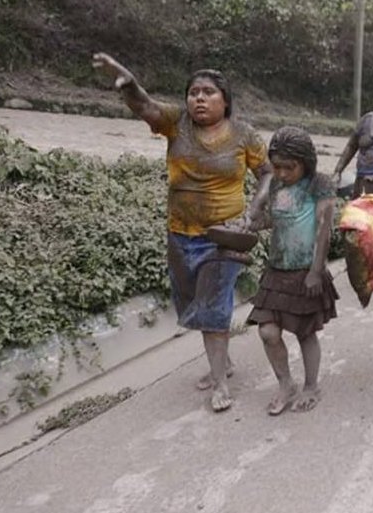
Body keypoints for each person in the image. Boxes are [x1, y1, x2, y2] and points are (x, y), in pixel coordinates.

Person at [92, 53, 272, 413]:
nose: (199, 99)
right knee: (192, 304)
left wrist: (252, 213)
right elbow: (145, 106)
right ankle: (226, 363)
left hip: (224, 238)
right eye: (193, 92)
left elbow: (267, 172)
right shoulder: (177, 123)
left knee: (213, 307)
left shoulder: (244, 134)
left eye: (208, 92)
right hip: (180, 235)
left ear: (225, 100)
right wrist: (128, 82)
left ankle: (220, 383)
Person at [241, 127, 339, 416]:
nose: (282, 173)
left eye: (289, 167)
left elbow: (324, 230)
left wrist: (316, 271)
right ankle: (286, 384)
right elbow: (276, 218)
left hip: (305, 270)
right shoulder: (276, 186)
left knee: (305, 333)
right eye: (277, 166)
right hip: (277, 270)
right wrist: (251, 224)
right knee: (267, 332)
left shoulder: (319, 184)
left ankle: (311, 386)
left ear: (306, 163)